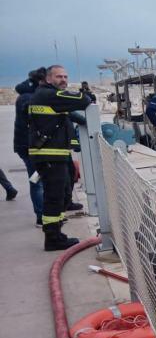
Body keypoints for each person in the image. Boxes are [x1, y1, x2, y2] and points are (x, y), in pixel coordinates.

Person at [28, 65, 91, 250]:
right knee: (53, 196)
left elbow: (70, 114)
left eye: (65, 76)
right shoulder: (49, 95)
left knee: (60, 194)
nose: (63, 79)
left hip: (54, 154)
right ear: (48, 79)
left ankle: (56, 233)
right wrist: (85, 94)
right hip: (50, 155)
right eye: (59, 76)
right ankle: (53, 239)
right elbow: (83, 100)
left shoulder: (46, 96)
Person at [13, 68, 45, 223]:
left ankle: (44, 213)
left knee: (39, 178)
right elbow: (33, 117)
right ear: (40, 81)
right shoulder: (27, 98)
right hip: (29, 146)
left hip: (31, 145)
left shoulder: (29, 95)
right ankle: (41, 216)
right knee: (36, 180)